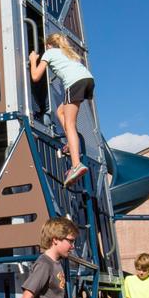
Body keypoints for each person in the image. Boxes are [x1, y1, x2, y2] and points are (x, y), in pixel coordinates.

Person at [26, 32, 95, 187]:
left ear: (48, 45)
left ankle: (76, 165)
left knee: (70, 124)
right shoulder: (66, 53)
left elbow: (36, 76)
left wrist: (33, 60)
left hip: (74, 83)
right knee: (60, 112)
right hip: (87, 80)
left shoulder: (49, 52)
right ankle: (71, 144)